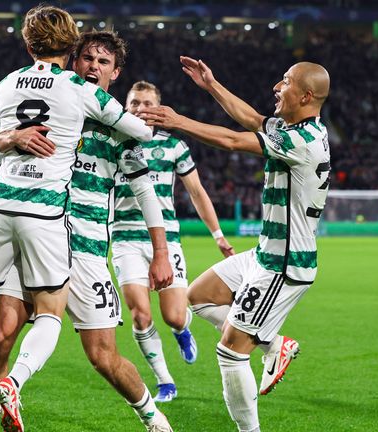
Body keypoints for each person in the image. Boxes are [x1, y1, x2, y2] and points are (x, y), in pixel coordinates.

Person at [0, 6, 155, 432]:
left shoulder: (7, 83)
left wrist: (9, 137)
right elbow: (144, 131)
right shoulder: (78, 88)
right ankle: (13, 384)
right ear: (72, 48)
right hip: (44, 214)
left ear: (27, 43)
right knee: (49, 313)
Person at [0, 31, 174, 432]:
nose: (93, 67)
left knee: (103, 357)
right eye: (87, 58)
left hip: (85, 248)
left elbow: (145, 191)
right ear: (73, 60)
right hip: (33, 235)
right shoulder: (50, 107)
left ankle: (153, 418)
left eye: (103, 62)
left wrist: (161, 252)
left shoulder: (119, 128)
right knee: (0, 335)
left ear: (115, 73)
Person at [139, 57, 330, 432]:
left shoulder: (301, 140)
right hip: (265, 253)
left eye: (287, 81)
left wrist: (178, 122)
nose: (278, 85)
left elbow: (231, 140)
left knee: (230, 353)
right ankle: (273, 345)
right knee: (197, 296)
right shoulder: (295, 127)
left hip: (283, 265)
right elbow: (253, 120)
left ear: (307, 96)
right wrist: (211, 85)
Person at [110, 80, 235, 402]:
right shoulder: (111, 142)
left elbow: (196, 192)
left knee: (174, 316)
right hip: (124, 237)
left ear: (159, 108)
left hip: (165, 240)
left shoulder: (174, 147)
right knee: (140, 314)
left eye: (148, 103)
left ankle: (182, 330)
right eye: (135, 102)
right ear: (126, 106)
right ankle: (165, 381)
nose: (141, 108)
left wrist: (218, 235)